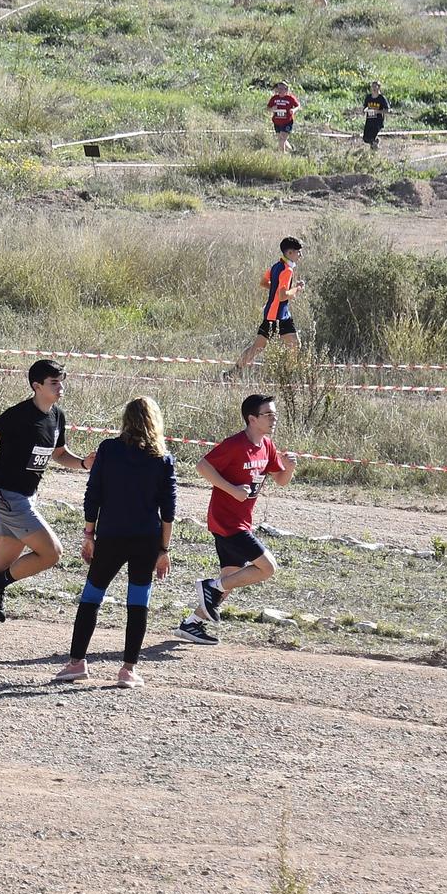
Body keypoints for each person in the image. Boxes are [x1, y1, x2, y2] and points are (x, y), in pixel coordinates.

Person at [0, 359, 92, 649]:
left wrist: (81, 463)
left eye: (61, 381)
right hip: (7, 497)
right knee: (52, 553)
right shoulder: (19, 415)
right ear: (36, 386)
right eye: (54, 382)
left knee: (1, 565)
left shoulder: (57, 416)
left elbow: (59, 454)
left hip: (25, 497)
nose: (61, 387)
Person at [52, 397, 176, 688]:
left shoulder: (108, 450)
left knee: (91, 598)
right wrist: (164, 550)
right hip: (146, 540)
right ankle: (128, 670)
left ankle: (76, 663)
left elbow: (92, 495)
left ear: (126, 419)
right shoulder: (163, 459)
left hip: (110, 536)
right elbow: (168, 511)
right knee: (137, 603)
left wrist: (88, 535)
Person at [177, 393, 295, 644]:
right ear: (252, 419)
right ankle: (210, 586)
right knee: (267, 567)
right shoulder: (235, 444)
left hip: (242, 520)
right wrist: (231, 489)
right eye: (268, 414)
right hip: (227, 522)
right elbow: (202, 466)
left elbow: (281, 480)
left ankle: (192, 624)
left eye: (275, 414)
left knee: (231, 579)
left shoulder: (267, 445)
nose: (274, 419)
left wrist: (290, 467)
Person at [227, 236, 303, 376]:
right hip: (279, 316)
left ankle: (232, 373)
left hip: (272, 313)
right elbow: (282, 296)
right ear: (290, 253)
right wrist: (297, 289)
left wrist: (276, 290)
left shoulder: (276, 266)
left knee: (257, 347)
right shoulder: (287, 270)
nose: (300, 255)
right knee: (294, 345)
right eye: (299, 252)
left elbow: (264, 283)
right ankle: (288, 375)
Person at [267, 81, 301, 153]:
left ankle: (282, 155)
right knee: (281, 139)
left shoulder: (290, 98)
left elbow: (298, 106)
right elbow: (268, 108)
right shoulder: (274, 98)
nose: (280, 90)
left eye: (282, 88)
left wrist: (294, 110)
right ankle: (292, 151)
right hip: (277, 122)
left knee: (282, 139)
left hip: (287, 122)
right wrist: (272, 109)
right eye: (279, 88)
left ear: (286, 90)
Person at [358, 81, 389, 149]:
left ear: (379, 87)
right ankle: (375, 142)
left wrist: (377, 111)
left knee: (372, 136)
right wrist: (363, 111)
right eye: (372, 86)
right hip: (369, 119)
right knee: (366, 138)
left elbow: (387, 110)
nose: (374, 88)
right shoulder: (368, 97)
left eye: (375, 86)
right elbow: (365, 107)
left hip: (378, 121)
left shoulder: (381, 98)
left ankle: (374, 150)